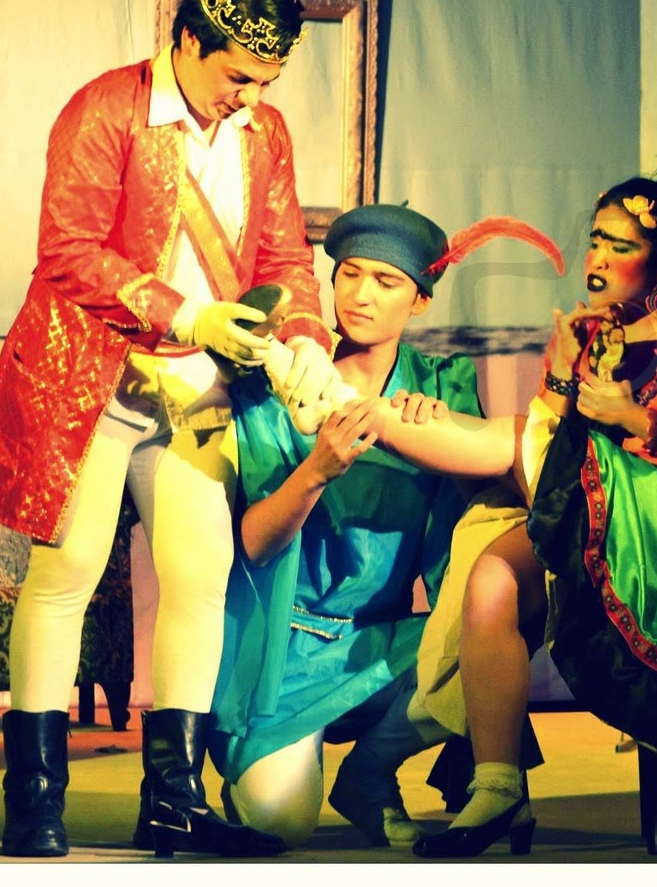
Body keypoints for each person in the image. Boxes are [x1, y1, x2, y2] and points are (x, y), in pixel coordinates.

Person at [0, 0, 342, 859]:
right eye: (237, 76)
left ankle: (173, 803)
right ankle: (34, 803)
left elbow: (286, 257)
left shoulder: (263, 132)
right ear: (186, 41)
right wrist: (187, 315)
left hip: (197, 386)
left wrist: (304, 338)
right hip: (90, 376)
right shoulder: (105, 110)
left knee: (200, 574)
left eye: (265, 81)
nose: (249, 98)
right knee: (68, 571)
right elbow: (67, 253)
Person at [399, 162, 657, 858]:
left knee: (518, 446)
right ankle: (499, 788)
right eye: (596, 239)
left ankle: (403, 424)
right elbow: (555, 445)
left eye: (620, 245)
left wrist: (637, 419)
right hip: (588, 516)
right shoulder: (591, 331)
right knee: (490, 576)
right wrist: (564, 374)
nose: (596, 258)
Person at [206, 203, 561, 851]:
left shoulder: (439, 387)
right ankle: (266, 762)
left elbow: (470, 531)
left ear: (420, 299)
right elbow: (254, 543)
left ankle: (369, 772)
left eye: (386, 281)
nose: (361, 295)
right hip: (282, 653)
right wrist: (316, 470)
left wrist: (445, 448)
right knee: (277, 821)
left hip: (379, 647)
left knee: (492, 625)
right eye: (349, 274)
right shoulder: (284, 381)